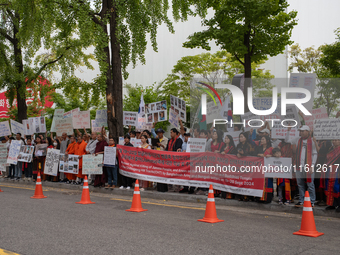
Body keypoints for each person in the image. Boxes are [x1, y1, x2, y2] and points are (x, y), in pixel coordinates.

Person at [285, 125, 319, 208]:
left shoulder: (312, 141)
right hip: (298, 166)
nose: (301, 132)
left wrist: (312, 166)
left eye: (303, 131)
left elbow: (315, 154)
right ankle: (301, 200)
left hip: (309, 166)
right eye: (300, 131)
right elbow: (287, 140)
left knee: (310, 184)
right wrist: (288, 131)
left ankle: (312, 201)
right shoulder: (297, 139)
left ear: (307, 131)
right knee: (300, 184)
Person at [324, 139, 340, 212]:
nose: (335, 141)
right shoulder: (330, 149)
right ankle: (332, 204)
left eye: (337, 140)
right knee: (330, 187)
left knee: (337, 188)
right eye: (334, 140)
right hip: (330, 170)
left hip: (338, 170)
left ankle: (339, 205)